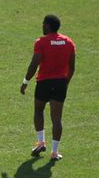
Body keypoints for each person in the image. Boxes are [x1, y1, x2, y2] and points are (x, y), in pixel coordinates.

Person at [21, 14, 76, 161]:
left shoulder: (41, 42)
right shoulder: (68, 42)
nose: (42, 26)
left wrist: (25, 81)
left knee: (38, 111)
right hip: (60, 83)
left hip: (44, 83)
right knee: (57, 118)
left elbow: (34, 64)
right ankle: (54, 152)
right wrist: (66, 82)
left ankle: (40, 143)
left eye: (43, 24)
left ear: (48, 26)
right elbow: (72, 66)